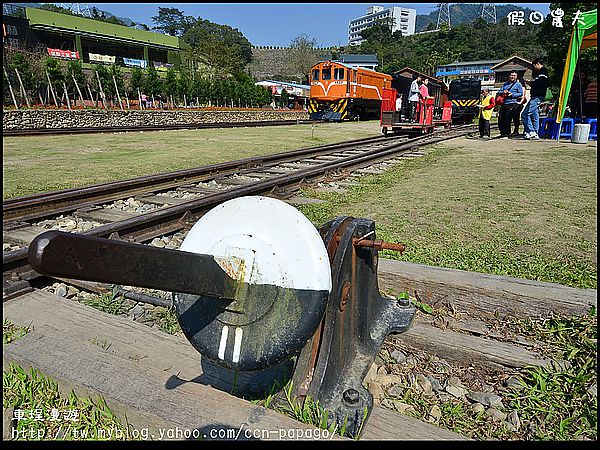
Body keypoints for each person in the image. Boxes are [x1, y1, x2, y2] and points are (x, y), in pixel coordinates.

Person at [522, 58, 549, 140]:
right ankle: (535, 133)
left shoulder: (543, 72)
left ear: (537, 64)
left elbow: (540, 83)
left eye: (534, 66)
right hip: (535, 96)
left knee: (525, 114)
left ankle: (531, 131)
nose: (534, 68)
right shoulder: (541, 73)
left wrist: (530, 82)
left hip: (537, 96)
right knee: (534, 115)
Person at [497, 71, 524, 139]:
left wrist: (512, 94)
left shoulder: (518, 84)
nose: (512, 77)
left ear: (516, 76)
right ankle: (502, 133)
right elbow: (499, 91)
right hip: (504, 103)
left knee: (507, 119)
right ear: (509, 76)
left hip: (512, 103)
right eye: (511, 75)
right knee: (500, 119)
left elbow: (521, 93)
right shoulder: (505, 84)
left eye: (514, 75)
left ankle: (507, 134)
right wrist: (503, 91)